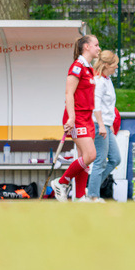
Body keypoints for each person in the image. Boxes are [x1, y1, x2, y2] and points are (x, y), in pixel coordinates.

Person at [52, 35, 101, 202]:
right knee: (91, 155)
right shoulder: (77, 66)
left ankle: (80, 197)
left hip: (87, 116)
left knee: (84, 159)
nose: (98, 48)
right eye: (96, 45)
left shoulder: (89, 68)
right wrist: (71, 117)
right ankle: (61, 182)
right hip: (77, 117)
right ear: (86, 46)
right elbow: (68, 93)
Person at [86, 50, 122, 201]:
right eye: (115, 65)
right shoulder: (99, 81)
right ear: (106, 65)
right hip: (99, 125)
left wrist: (110, 123)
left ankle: (91, 188)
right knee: (100, 160)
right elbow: (96, 105)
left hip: (106, 125)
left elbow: (109, 106)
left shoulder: (107, 80)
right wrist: (101, 124)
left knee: (115, 159)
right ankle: (93, 196)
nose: (116, 68)